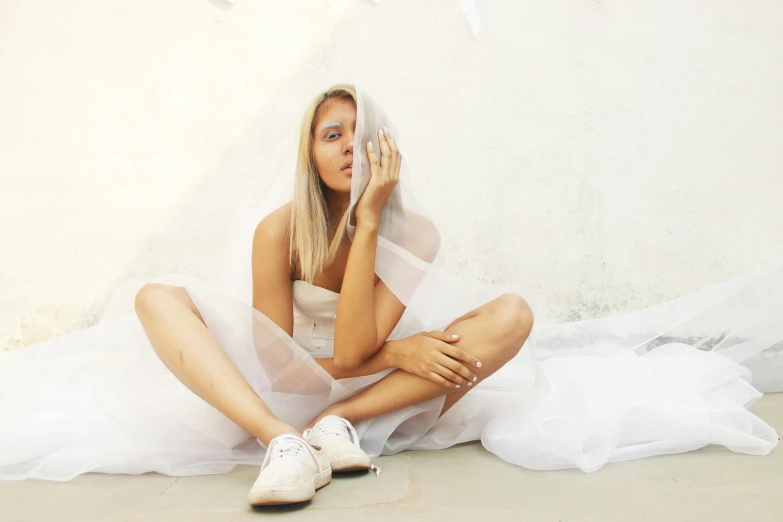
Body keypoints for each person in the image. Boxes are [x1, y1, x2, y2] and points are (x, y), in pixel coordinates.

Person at [1, 84, 779, 507]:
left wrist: (372, 224)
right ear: (310, 150)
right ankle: (284, 442)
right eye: (330, 134)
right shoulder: (281, 230)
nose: (347, 148)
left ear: (385, 147)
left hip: (363, 396)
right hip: (284, 390)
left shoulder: (414, 232)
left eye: (359, 133)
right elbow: (287, 356)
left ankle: (333, 430)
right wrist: (384, 350)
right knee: (154, 295)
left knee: (511, 314)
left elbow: (348, 356)